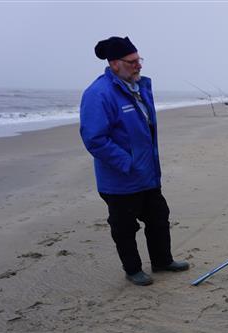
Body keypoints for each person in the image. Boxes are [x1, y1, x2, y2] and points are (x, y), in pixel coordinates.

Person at [80, 36, 189, 286]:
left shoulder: (140, 87)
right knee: (124, 228)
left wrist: (145, 164)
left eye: (139, 60)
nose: (138, 65)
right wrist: (128, 163)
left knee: (159, 218)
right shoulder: (98, 93)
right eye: (132, 62)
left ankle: (162, 261)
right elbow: (95, 139)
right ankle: (133, 270)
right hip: (120, 179)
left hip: (147, 174)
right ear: (114, 64)